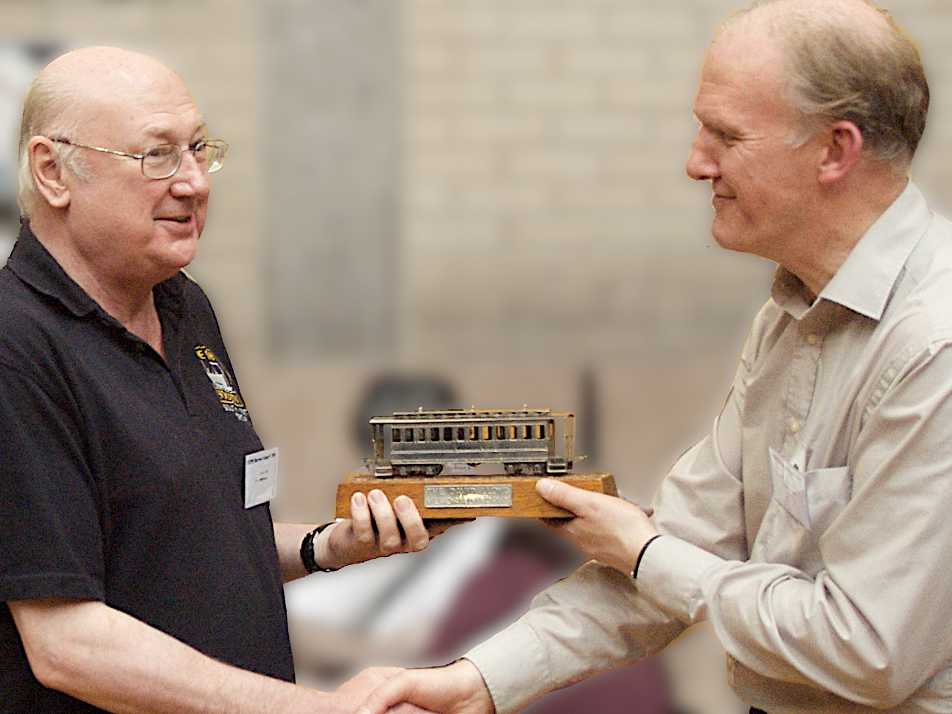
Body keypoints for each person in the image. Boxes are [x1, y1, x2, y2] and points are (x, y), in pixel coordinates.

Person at [355, 1, 952, 712]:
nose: (696, 163)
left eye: (726, 136)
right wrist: (479, 683)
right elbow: (683, 545)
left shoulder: (932, 343)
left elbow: (867, 650)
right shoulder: (788, 318)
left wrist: (644, 552)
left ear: (835, 150)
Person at [0, 46, 437, 713]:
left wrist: (329, 546)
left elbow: (198, 535)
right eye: (157, 156)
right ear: (53, 171)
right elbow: (66, 641)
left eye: (200, 150)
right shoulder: (18, 345)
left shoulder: (183, 305)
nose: (195, 182)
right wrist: (313, 709)